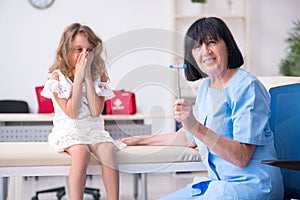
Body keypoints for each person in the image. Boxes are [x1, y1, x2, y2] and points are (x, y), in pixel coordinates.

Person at [119, 17, 284, 199]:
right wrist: (138, 140)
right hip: (219, 186)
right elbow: (189, 137)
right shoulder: (206, 87)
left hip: (251, 188)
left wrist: (195, 126)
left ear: (227, 45)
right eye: (197, 46)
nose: (205, 51)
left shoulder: (246, 87)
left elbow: (241, 156)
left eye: (212, 42)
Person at [41, 23, 125, 200]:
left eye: (89, 50)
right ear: (66, 50)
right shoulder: (57, 78)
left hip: (93, 128)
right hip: (69, 129)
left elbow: (95, 111)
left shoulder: (99, 75)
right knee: (81, 152)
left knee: (108, 150)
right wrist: (78, 79)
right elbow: (71, 112)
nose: (84, 55)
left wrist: (87, 77)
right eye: (78, 49)